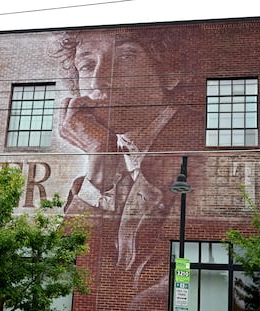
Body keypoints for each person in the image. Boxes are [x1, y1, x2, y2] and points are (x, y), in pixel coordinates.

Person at [50, 28, 203, 309]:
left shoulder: (200, 148)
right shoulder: (111, 156)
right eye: (86, 65)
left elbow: (176, 283)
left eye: (124, 57)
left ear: (169, 71)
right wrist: (98, 162)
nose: (98, 80)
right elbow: (71, 274)